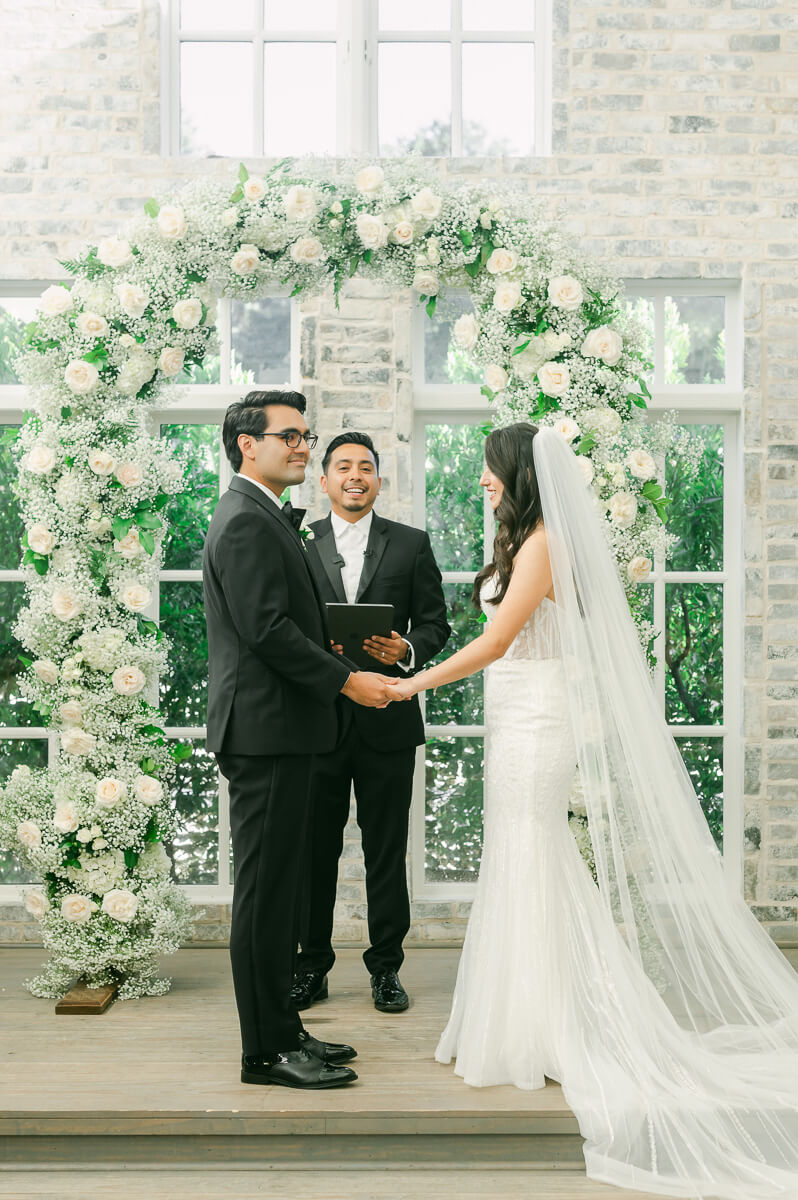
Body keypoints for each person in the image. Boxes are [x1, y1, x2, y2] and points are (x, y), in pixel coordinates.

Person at [388, 422, 798, 1198]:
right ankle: (523, 1020)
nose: (482, 481)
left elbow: (501, 641)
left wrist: (413, 686)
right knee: (518, 855)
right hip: (516, 716)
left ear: (518, 472)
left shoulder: (543, 544)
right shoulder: (523, 540)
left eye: (489, 470)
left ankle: (549, 1027)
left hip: (539, 718)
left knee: (530, 850)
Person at [203, 390, 396, 1091]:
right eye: (289, 435)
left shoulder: (262, 515)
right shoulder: (247, 522)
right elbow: (268, 632)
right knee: (264, 898)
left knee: (281, 894)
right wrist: (348, 682)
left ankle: (284, 1029)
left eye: (304, 435)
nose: (303, 446)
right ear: (246, 443)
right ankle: (264, 1053)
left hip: (281, 730)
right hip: (265, 732)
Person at [292, 432, 450, 1014]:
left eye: (365, 468)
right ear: (325, 480)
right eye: (342, 467)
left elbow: (437, 626)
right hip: (316, 724)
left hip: (388, 719)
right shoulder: (297, 540)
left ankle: (386, 969)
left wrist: (404, 648)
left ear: (378, 481)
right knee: (314, 853)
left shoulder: (410, 544)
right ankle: (311, 968)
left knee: (387, 851)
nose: (354, 476)